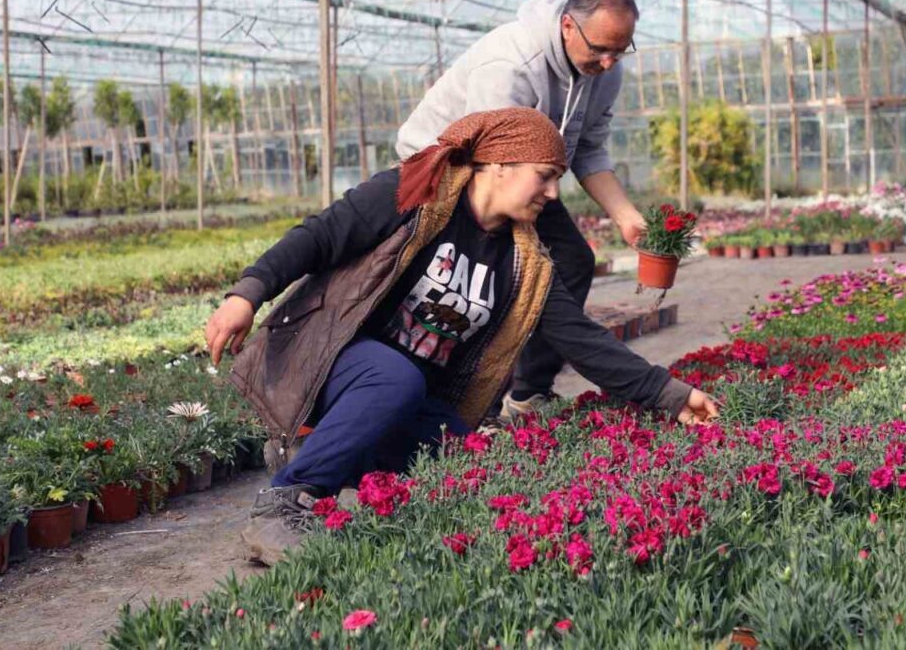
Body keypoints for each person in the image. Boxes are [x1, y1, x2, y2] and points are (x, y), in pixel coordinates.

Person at [205, 108, 718, 566]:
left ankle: (314, 452)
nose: (552, 194)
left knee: (464, 460)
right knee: (395, 377)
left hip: (403, 397)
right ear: (498, 165)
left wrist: (670, 394)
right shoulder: (413, 195)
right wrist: (247, 294)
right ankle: (287, 500)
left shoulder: (526, 263)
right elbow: (320, 235)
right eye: (544, 176)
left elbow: (582, 339)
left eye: (557, 180)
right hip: (331, 362)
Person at [396, 0, 647, 419]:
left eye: (620, 50)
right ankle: (472, 409)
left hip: (524, 177)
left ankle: (529, 393)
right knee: (490, 276)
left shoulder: (604, 72)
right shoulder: (511, 65)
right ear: (568, 26)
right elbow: (489, 161)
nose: (609, 62)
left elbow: (589, 148)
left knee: (572, 261)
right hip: (451, 171)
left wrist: (626, 216)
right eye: (600, 49)